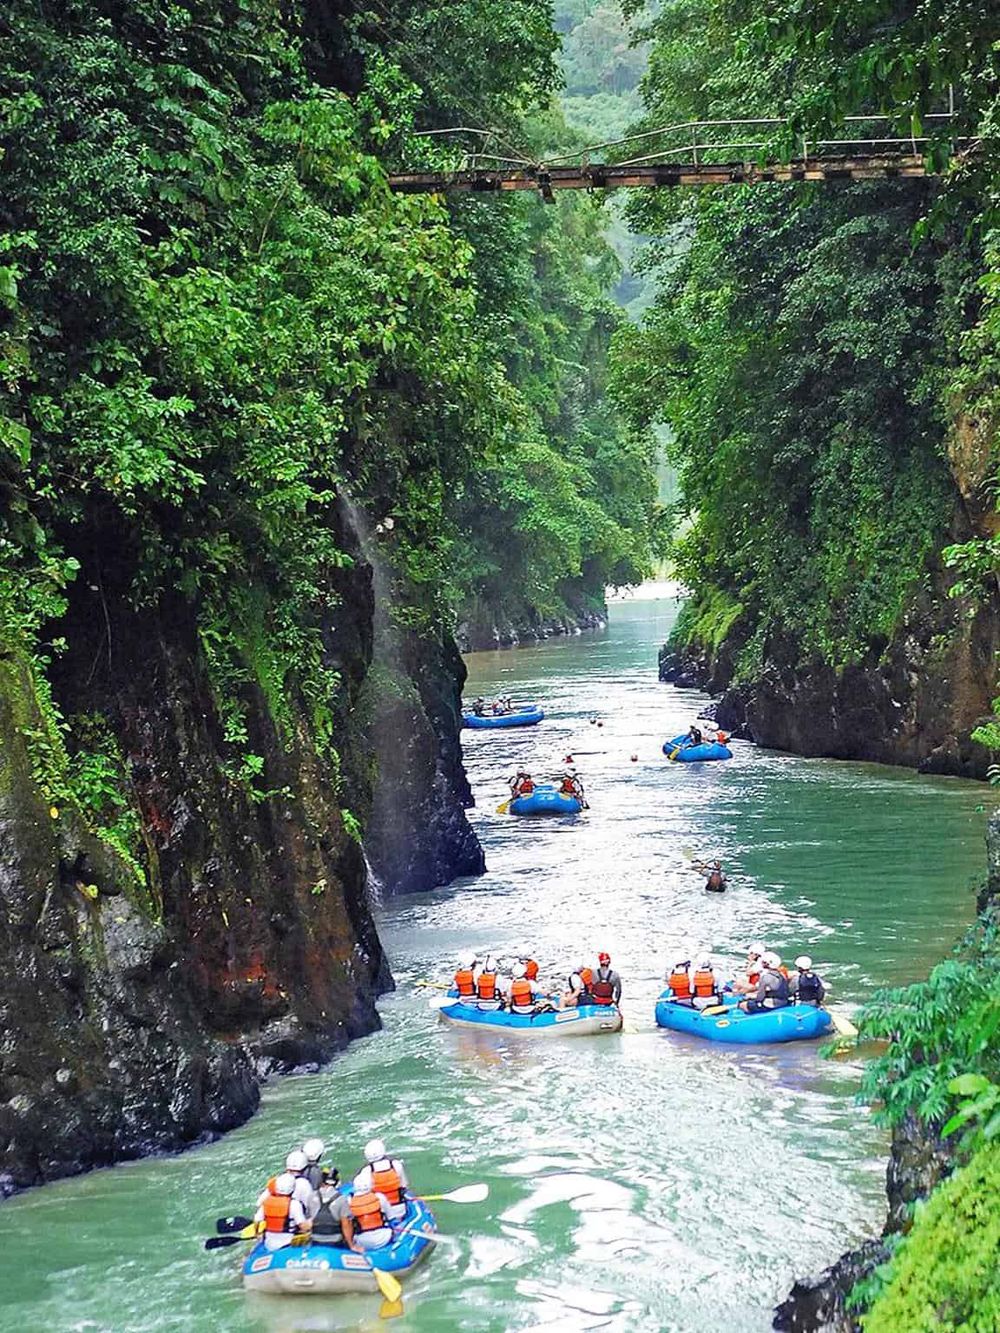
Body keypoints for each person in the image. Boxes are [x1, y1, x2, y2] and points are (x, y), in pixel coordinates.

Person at [354, 1138, 409, 1223]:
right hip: (399, 1209)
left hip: (380, 1212)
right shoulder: (396, 1165)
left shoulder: (366, 1171)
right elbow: (404, 1186)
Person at [254, 1172, 309, 1251]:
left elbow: (256, 1221)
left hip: (269, 1243)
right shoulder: (294, 1204)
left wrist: (257, 1234)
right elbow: (303, 1226)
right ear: (293, 1189)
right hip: (288, 1243)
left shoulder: (266, 1201)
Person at [344, 1185, 394, 1252]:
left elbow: (347, 1223)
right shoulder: (379, 1197)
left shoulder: (349, 1201)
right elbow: (391, 1217)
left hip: (361, 1241)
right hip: (384, 1237)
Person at [309, 1167, 348, 1245]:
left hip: (315, 1239)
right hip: (336, 1240)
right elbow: (346, 1224)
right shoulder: (342, 1199)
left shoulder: (311, 1196)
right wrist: (351, 1245)